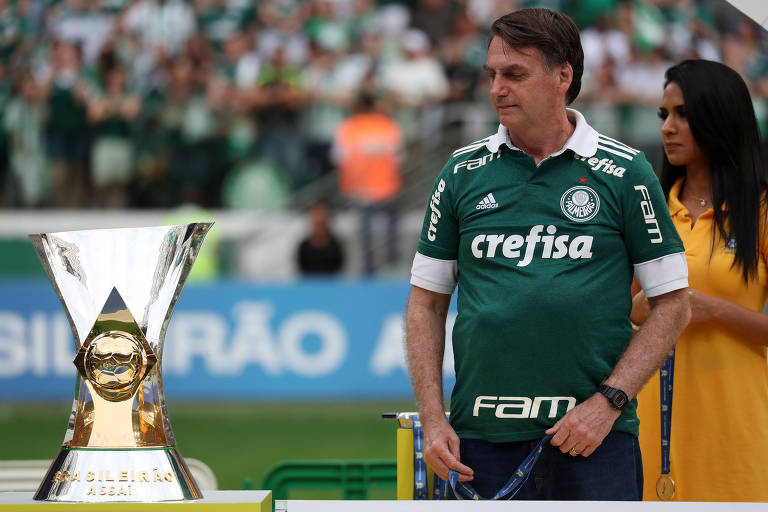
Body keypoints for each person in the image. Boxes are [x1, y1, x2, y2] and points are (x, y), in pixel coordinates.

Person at [405, 8, 691, 501]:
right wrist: (434, 420)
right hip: (479, 442)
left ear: (564, 76)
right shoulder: (460, 172)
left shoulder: (625, 172)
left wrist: (608, 403)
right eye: (492, 74)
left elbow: (674, 304)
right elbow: (425, 303)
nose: (497, 89)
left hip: (595, 438)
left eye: (515, 74)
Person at [632, 60, 768, 502]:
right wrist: (644, 306)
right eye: (664, 115)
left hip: (738, 427)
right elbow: (618, 310)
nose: (668, 127)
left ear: (720, 116)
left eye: (683, 114)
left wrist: (712, 310)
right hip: (647, 424)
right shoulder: (647, 210)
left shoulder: (760, 212)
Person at [332, 92, 403, 275]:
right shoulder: (389, 125)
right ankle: (392, 265)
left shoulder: (348, 127)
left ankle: (369, 272)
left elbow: (339, 158)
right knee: (392, 233)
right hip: (388, 188)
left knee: (366, 237)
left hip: (361, 191)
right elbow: (400, 158)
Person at [296, 199, 345, 275]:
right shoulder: (304, 246)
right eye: (315, 213)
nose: (319, 218)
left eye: (322, 213)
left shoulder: (336, 245)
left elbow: (339, 267)